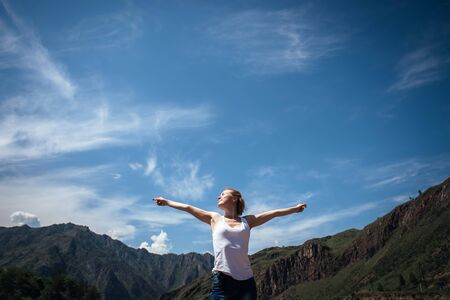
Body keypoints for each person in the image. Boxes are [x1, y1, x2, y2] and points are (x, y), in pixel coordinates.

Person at [153, 188, 307, 300]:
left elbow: (274, 213)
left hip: (247, 283)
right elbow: (189, 208)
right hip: (222, 282)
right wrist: (167, 202)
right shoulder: (215, 218)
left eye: (223, 194)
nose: (218, 196)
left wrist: (295, 209)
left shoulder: (248, 221)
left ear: (234, 198)